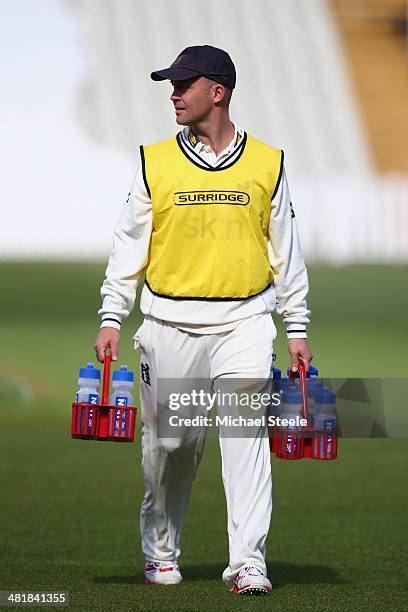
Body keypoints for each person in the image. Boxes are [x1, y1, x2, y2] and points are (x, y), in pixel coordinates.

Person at [94, 44, 312, 596]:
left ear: (216, 93)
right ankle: (161, 552)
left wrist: (297, 327)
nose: (173, 93)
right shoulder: (154, 161)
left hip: (245, 323)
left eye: (183, 84)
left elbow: (286, 249)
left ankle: (248, 563)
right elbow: (128, 247)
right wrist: (112, 315)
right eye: (172, 84)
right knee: (169, 448)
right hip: (168, 324)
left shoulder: (268, 162)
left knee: (246, 444)